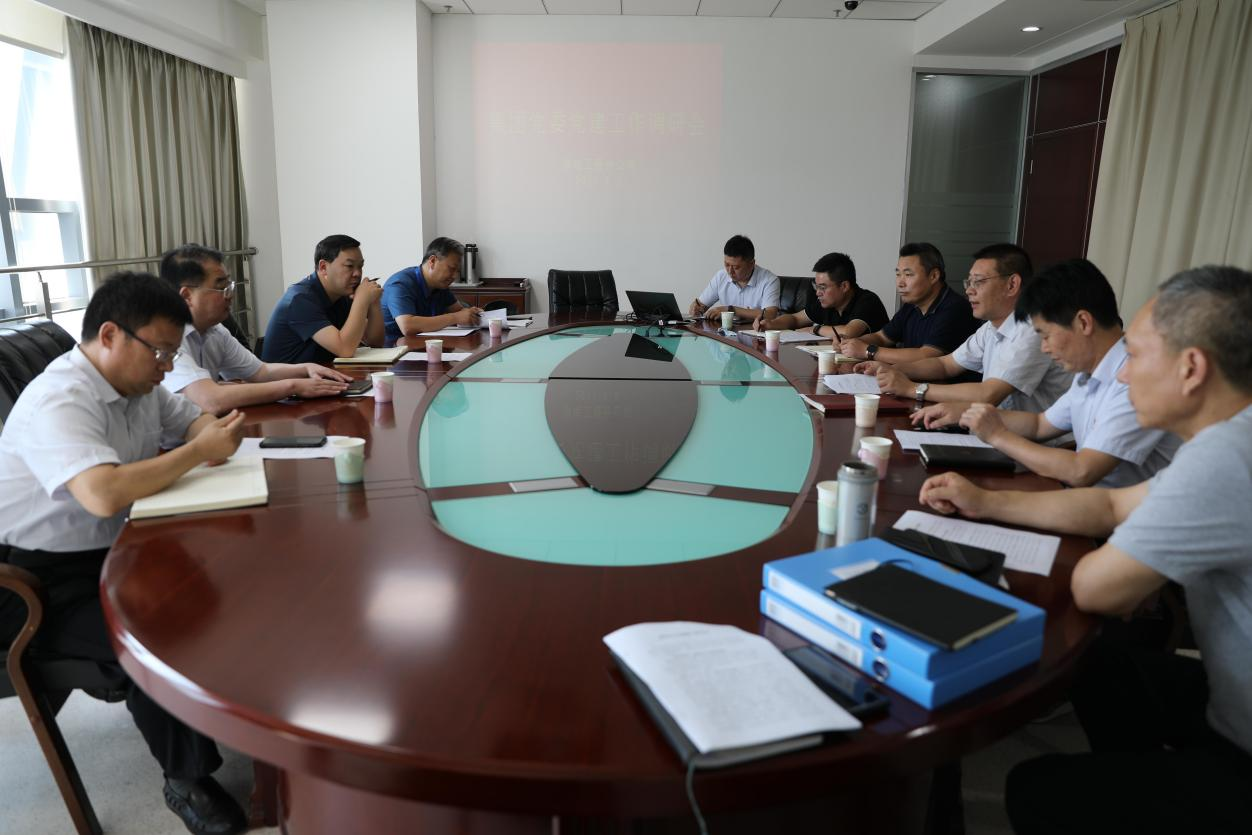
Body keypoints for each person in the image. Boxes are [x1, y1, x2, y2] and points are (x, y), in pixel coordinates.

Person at [917, 265, 1252, 835]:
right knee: (1099, 665)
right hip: (1228, 697)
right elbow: (1112, 506)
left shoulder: (1224, 458)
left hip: (1242, 740)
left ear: (1191, 369)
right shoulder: (1230, 437)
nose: (1124, 373)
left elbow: (1097, 588)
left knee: (1037, 790)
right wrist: (985, 502)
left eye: (1138, 355)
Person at [0, 272, 249, 835]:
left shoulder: (141, 386)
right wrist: (199, 451)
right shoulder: (61, 398)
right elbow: (103, 493)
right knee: (152, 635)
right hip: (27, 580)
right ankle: (186, 779)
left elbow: (194, 422)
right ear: (110, 335)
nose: (168, 366)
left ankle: (224, 706)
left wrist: (208, 435)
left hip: (106, 548)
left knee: (219, 579)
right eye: (160, 352)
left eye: (172, 353)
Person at [912, 259, 1179, 487]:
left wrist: (997, 435)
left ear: (1083, 323)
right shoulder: (1088, 374)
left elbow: (1082, 470)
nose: (1044, 347)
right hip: (1089, 504)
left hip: (1114, 517)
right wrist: (966, 413)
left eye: (1046, 335)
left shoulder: (1134, 379)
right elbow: (1039, 425)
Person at [858, 243, 1071, 413]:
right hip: (994, 430)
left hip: (1032, 444)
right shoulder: (991, 328)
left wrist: (912, 389)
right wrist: (894, 369)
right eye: (968, 282)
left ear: (1012, 285)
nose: (969, 291)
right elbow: (945, 365)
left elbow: (988, 394)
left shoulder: (1033, 330)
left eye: (978, 282)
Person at [159, 243, 352, 412]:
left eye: (229, 286)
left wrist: (306, 368)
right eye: (221, 287)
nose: (230, 295)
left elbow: (260, 372)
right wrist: (293, 386)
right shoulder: (165, 337)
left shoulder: (216, 330)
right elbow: (210, 400)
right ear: (187, 296)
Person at [838, 242, 979, 364]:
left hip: (945, 386)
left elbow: (927, 356)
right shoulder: (912, 305)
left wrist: (867, 350)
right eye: (898, 274)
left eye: (908, 274)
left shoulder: (955, 308)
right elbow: (882, 337)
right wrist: (852, 343)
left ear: (934, 276)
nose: (900, 283)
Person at [261, 234, 384, 364]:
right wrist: (361, 301)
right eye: (349, 266)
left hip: (323, 372)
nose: (357, 273)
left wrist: (374, 302)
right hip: (290, 376)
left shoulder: (342, 293)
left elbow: (375, 343)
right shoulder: (300, 299)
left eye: (360, 266)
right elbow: (345, 349)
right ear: (323, 267)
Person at [753, 251, 888, 339]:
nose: (818, 292)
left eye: (822, 287)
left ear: (844, 286)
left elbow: (849, 332)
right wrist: (771, 324)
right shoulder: (827, 302)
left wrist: (816, 329)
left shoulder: (868, 301)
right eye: (816, 286)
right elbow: (795, 319)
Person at [382, 236, 483, 341]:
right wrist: (455, 317)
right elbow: (407, 326)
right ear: (433, 261)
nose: (455, 276)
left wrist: (472, 313)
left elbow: (459, 310)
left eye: (458, 271)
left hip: (426, 345)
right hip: (394, 347)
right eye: (452, 269)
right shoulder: (401, 284)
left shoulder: (440, 285)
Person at [689, 234, 779, 322]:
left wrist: (730, 310)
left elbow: (770, 315)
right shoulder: (721, 276)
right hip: (726, 331)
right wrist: (696, 309)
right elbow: (700, 305)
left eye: (736, 267)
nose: (730, 271)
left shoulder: (769, 280)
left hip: (755, 331)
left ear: (751, 264)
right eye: (727, 265)